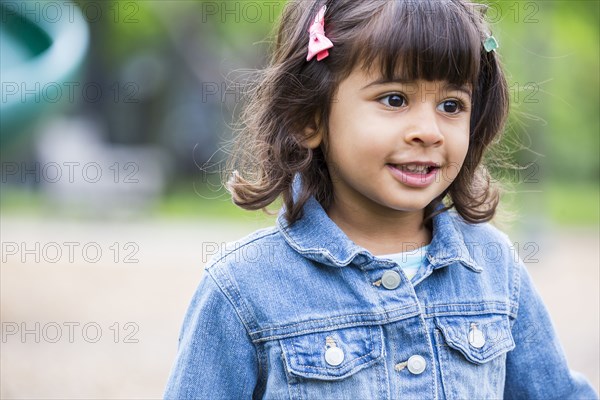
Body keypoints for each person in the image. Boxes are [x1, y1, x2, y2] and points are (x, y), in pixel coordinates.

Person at [164, 1, 598, 399]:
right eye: (395, 100)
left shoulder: (493, 267)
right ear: (308, 117)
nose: (429, 130)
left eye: (451, 105)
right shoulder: (243, 288)